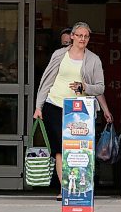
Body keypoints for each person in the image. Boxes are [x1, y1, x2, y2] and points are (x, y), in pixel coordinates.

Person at [34, 22, 113, 201]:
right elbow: (46, 81)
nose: (82, 39)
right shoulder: (59, 55)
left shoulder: (93, 59)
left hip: (80, 109)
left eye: (86, 36)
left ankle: (79, 184)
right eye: (79, 35)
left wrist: (84, 87)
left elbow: (99, 87)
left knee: (78, 149)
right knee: (61, 148)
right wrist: (39, 107)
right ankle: (64, 189)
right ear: (72, 37)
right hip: (54, 105)